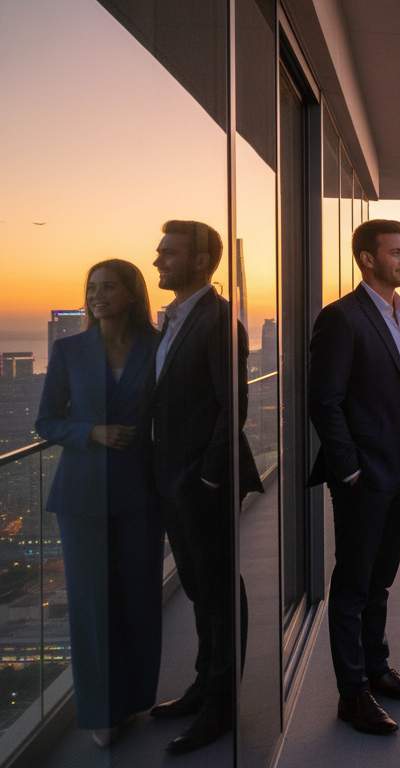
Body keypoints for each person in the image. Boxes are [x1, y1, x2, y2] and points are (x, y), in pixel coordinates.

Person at [307, 219, 400, 736]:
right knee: (353, 584)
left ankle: (378, 670)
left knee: (381, 578)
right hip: (365, 472)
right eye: (396, 252)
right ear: (367, 258)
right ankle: (352, 693)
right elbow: (324, 400)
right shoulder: (341, 317)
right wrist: (351, 469)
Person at [35, 259, 162, 748]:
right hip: (82, 495)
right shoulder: (69, 350)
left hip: (142, 491)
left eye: (108, 287)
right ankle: (101, 711)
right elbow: (47, 422)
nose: (97, 295)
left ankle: (134, 698)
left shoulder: (157, 347)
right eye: (92, 288)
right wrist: (92, 432)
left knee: (140, 597)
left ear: (131, 294)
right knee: (91, 605)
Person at [148, 220, 262, 754]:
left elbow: (231, 405)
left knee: (218, 590)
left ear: (199, 261)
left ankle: (221, 704)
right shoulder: (173, 319)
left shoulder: (218, 320)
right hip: (175, 478)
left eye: (167, 253)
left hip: (202, 481)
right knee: (199, 588)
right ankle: (203, 684)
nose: (157, 261)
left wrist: (209, 477)